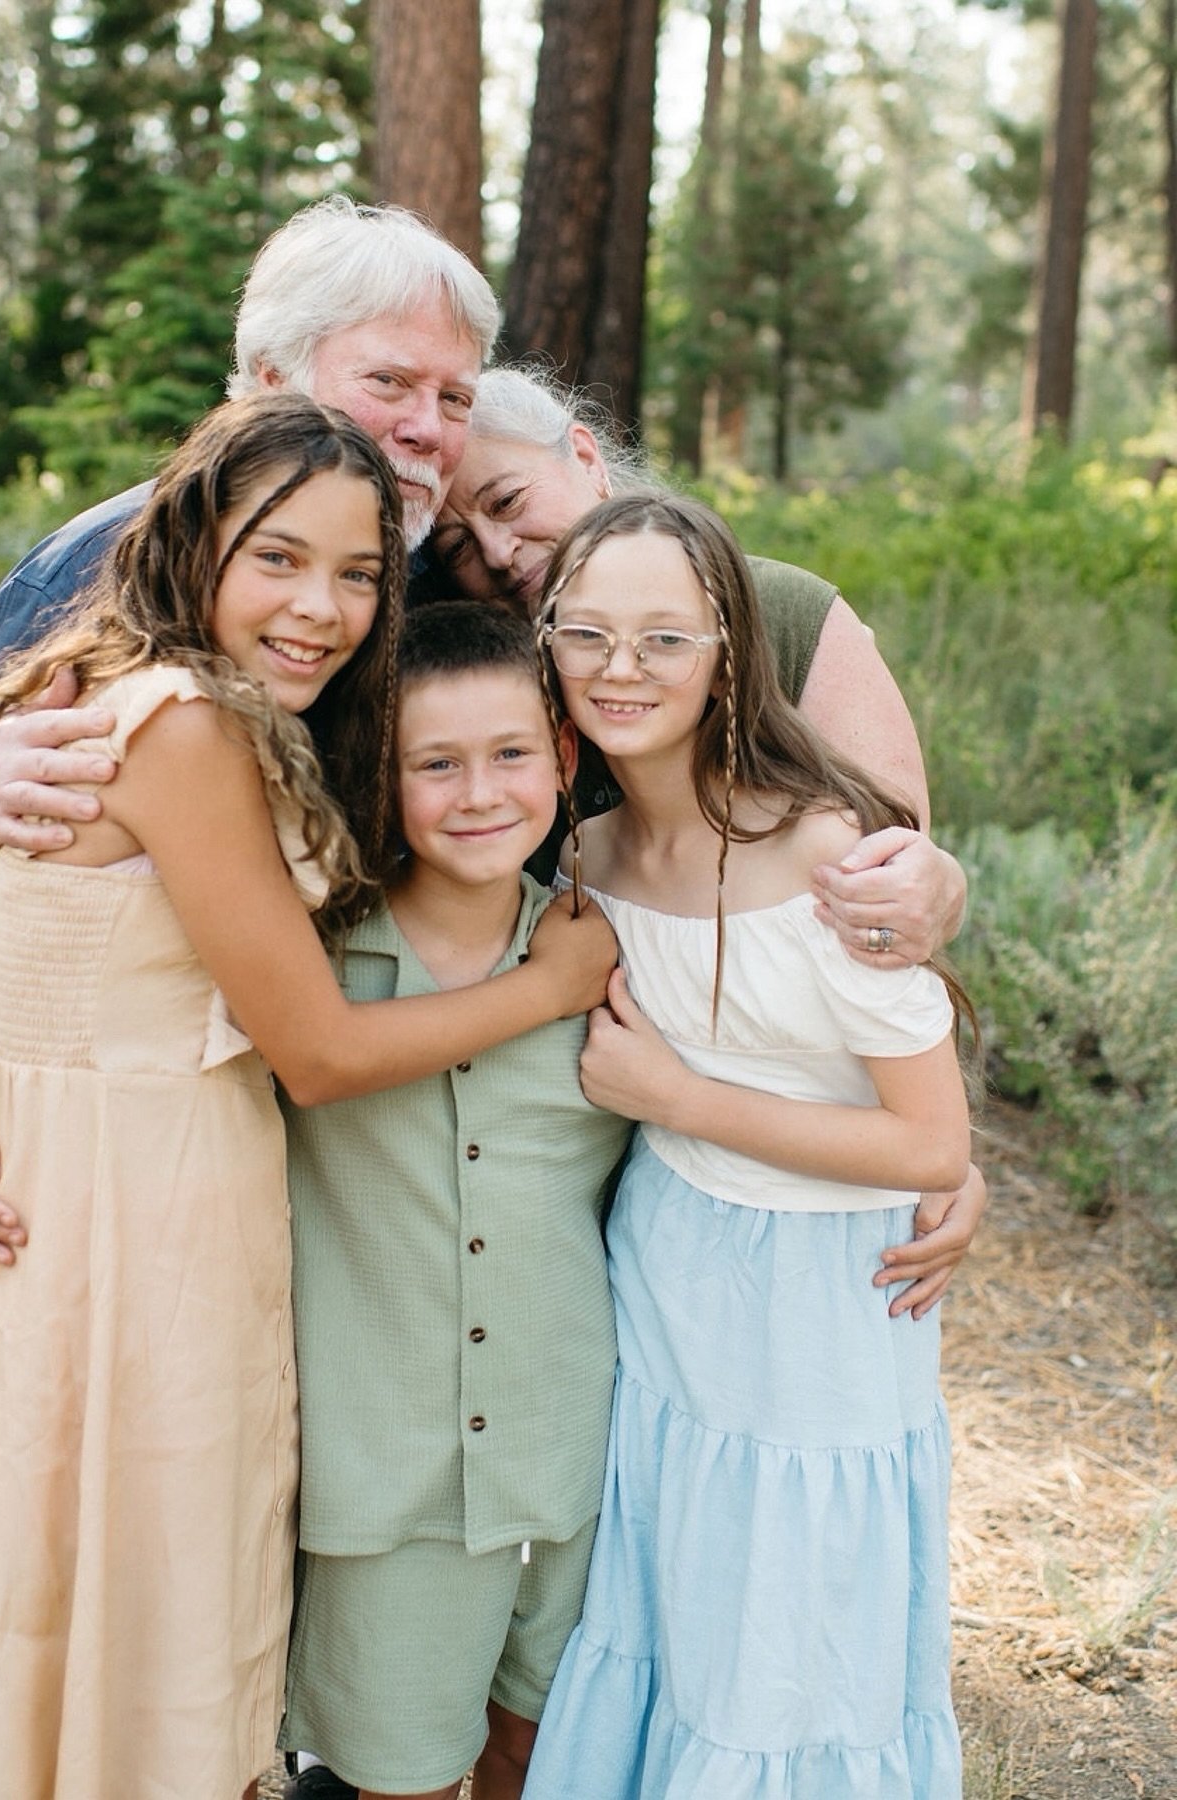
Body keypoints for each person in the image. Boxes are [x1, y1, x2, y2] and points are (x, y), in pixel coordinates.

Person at [0, 394, 615, 1800]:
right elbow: (316, 1051)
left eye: (362, 572)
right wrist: (554, 987)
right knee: (155, 1616)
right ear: (196, 547)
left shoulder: (133, 692)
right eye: (279, 558)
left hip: (123, 1194)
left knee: (98, 1596)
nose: (325, 607)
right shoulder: (182, 727)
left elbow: (96, 986)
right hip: (146, 1235)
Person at [519, 490, 973, 1798]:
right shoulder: (587, 855)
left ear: (730, 650)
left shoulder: (827, 853)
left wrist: (675, 1094)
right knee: (675, 1596)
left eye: (666, 638)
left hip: (827, 1294)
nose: (622, 669)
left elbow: (932, 1143)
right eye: (588, 634)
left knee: (792, 1642)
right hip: (664, 1264)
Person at [429, 365, 984, 1317]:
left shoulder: (782, 614)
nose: (495, 545)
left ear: (587, 457)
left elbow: (885, 897)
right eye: (455, 542)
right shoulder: (477, 686)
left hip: (800, 1201)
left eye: (508, 499)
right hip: (625, 1195)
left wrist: (926, 1150)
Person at [0, 196, 498, 937]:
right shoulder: (101, 561)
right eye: (388, 382)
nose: (427, 428)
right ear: (271, 381)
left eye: (455, 398)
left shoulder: (464, 568)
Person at [274, 602, 632, 1800]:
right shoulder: (314, 971)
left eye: (512, 754)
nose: (479, 792)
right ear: (386, 773)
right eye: (437, 763)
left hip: (572, 1457)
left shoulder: (619, 967)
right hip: (392, 1482)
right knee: (405, 1779)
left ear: (566, 761)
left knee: (535, 1754)